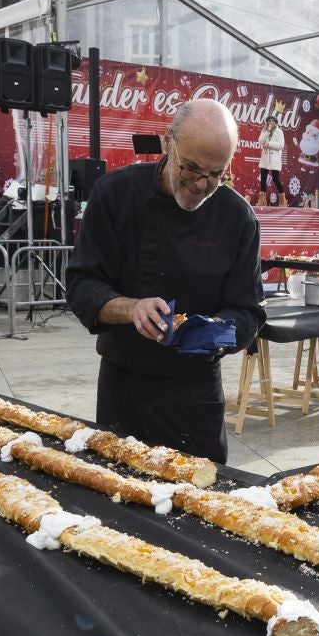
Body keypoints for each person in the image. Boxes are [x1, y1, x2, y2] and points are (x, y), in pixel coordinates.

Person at [66, 99, 264, 464]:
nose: (201, 185)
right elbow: (81, 284)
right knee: (118, 492)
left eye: (216, 174)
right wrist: (131, 309)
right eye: (190, 168)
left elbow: (248, 313)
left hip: (194, 394)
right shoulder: (114, 195)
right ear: (167, 142)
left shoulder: (237, 217)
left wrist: (212, 331)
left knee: (200, 502)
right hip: (123, 387)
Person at [257, 115, 285, 206]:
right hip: (265, 158)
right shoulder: (265, 131)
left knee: (276, 178)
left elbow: (281, 145)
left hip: (274, 159)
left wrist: (269, 144)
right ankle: (262, 201)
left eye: (273, 121)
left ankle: (283, 200)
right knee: (263, 178)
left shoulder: (279, 132)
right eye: (269, 121)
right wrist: (267, 131)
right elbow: (261, 141)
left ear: (276, 123)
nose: (271, 122)